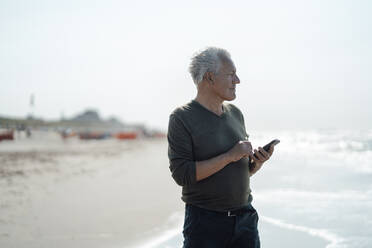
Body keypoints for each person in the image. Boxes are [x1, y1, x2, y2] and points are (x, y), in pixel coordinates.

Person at [167, 47, 276, 248]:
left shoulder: (236, 113)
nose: (238, 81)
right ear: (209, 78)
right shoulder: (181, 118)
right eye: (231, 75)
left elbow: (233, 170)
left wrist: (254, 165)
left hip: (245, 220)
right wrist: (229, 156)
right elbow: (182, 174)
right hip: (205, 224)